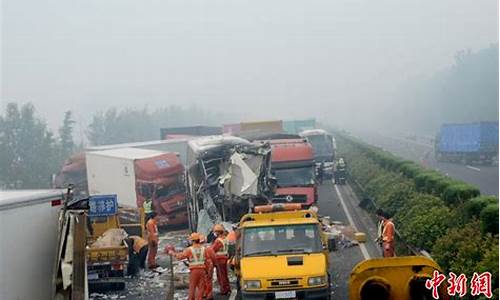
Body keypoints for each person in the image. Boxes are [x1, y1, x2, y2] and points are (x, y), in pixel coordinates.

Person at [168, 233, 214, 300]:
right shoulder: (204, 249)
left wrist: (172, 253)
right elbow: (207, 261)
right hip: (202, 270)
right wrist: (208, 271)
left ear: (193, 241)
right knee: (201, 287)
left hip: (194, 271)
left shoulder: (189, 249)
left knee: (192, 286)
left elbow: (180, 256)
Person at [210, 224, 231, 295]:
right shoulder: (225, 239)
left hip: (219, 259)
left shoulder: (218, 241)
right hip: (224, 258)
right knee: (225, 274)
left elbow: (212, 250)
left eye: (215, 232)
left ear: (218, 232)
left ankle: (223, 290)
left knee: (221, 275)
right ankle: (227, 288)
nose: (215, 233)